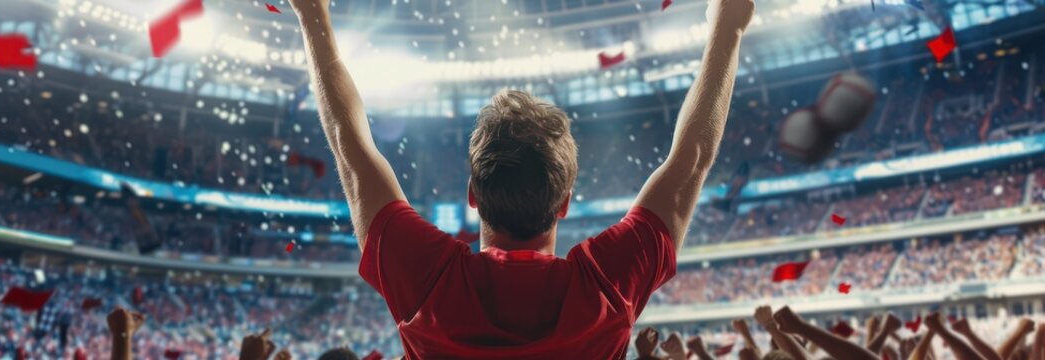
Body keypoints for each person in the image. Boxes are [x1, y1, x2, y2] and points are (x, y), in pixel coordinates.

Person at [285, 0, 754, 356]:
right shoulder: (603, 290)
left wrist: (312, 15)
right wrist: (728, 27)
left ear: (473, 195)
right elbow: (692, 157)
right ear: (564, 202)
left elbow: (350, 146)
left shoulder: (431, 282)